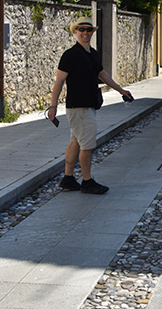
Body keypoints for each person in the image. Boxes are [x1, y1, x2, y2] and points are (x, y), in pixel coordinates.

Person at [47, 16, 132, 194]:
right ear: (75, 31)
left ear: (93, 32)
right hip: (78, 107)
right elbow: (59, 82)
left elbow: (102, 74)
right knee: (87, 146)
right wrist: (53, 106)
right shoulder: (70, 55)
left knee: (75, 142)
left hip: (88, 105)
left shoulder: (93, 54)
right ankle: (87, 182)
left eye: (88, 30)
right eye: (81, 29)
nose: (85, 33)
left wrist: (121, 90)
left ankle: (68, 179)